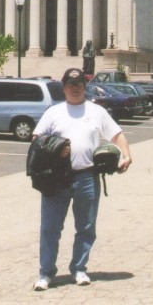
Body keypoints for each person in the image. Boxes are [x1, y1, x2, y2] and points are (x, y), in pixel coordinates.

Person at [32, 67, 132, 291]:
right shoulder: (53, 112)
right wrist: (56, 149)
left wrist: (126, 155)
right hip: (57, 178)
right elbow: (37, 139)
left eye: (79, 85)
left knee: (86, 227)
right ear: (64, 88)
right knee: (50, 228)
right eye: (70, 85)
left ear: (84, 87)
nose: (75, 89)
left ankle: (79, 269)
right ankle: (46, 273)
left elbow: (116, 134)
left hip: (87, 176)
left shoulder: (97, 111)